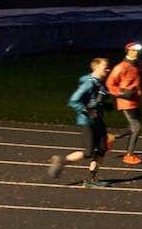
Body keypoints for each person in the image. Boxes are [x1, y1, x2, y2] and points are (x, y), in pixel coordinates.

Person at [47, 57, 112, 186]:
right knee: (89, 152)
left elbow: (96, 100)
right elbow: (73, 100)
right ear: (96, 67)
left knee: (102, 149)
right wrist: (88, 112)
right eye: (106, 67)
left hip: (98, 120)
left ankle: (92, 180)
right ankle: (62, 160)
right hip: (87, 121)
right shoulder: (89, 83)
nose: (108, 70)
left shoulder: (101, 83)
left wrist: (104, 106)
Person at [105, 41, 142, 163]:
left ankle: (111, 137)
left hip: (136, 100)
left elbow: (140, 77)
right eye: (133, 50)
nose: (135, 53)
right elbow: (110, 84)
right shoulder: (121, 67)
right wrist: (121, 93)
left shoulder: (140, 64)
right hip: (126, 102)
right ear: (127, 51)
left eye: (137, 51)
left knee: (132, 127)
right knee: (137, 128)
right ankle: (129, 155)